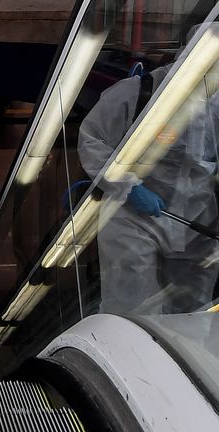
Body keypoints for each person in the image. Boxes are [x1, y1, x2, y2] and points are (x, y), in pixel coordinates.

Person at [78, 28, 219, 314]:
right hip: (132, 219)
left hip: (198, 221)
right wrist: (128, 187)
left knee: (194, 315)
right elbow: (91, 140)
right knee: (130, 309)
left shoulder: (216, 105)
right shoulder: (140, 92)